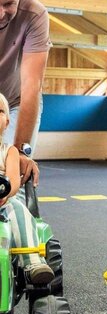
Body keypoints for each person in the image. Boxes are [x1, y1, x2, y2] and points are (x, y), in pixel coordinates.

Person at [0, 0, 51, 187]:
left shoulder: (35, 14)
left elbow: (32, 86)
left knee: (11, 172)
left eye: (9, 4)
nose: (1, 14)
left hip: (17, 100)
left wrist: (21, 151)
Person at [0, 93, 54, 284]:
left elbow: (13, 180)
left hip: (4, 200)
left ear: (7, 121)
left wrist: (7, 194)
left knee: (20, 211)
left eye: (0, 112)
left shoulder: (10, 151)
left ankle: (32, 261)